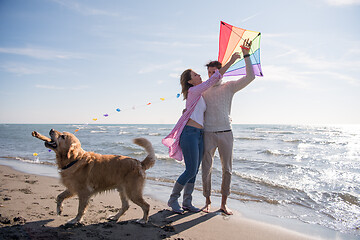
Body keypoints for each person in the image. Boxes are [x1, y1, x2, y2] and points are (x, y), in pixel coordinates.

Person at [162, 53, 240, 214]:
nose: (200, 76)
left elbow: (197, 109)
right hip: (189, 134)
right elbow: (214, 79)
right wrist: (232, 61)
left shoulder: (200, 94)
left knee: (195, 170)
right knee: (190, 170)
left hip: (199, 134)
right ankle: (173, 199)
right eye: (196, 75)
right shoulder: (194, 91)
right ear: (190, 81)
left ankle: (187, 202)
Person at [202, 39, 256, 215]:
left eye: (215, 72)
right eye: (209, 72)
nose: (211, 75)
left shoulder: (229, 86)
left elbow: (251, 77)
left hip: (226, 133)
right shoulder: (203, 90)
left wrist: (246, 54)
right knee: (206, 169)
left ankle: (224, 203)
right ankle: (208, 201)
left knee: (227, 169)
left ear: (221, 72)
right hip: (208, 133)